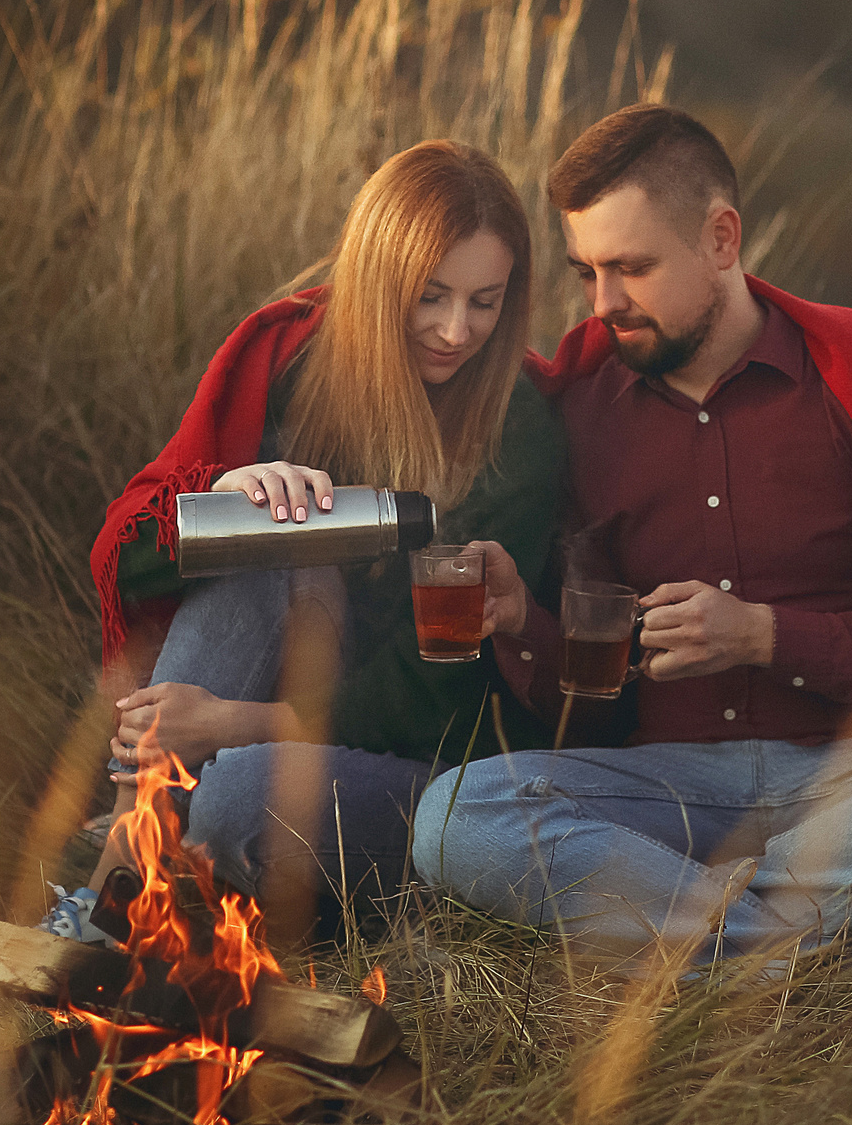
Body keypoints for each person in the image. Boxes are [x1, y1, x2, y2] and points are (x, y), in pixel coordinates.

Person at [412, 104, 852, 973]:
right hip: (665, 794)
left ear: (722, 239)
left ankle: (693, 934)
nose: (604, 303)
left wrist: (764, 634)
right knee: (457, 815)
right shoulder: (583, 411)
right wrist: (521, 623)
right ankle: (797, 952)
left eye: (632, 268)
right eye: (587, 273)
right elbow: (591, 702)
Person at [51, 140, 565, 942]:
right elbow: (133, 558)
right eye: (430, 296)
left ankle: (183, 856)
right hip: (288, 704)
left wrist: (226, 724)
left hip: (434, 768)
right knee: (262, 542)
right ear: (377, 278)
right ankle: (122, 879)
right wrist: (228, 494)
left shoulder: (518, 427)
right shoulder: (292, 363)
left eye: (485, 301)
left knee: (236, 799)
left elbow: (428, 701)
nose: (456, 330)